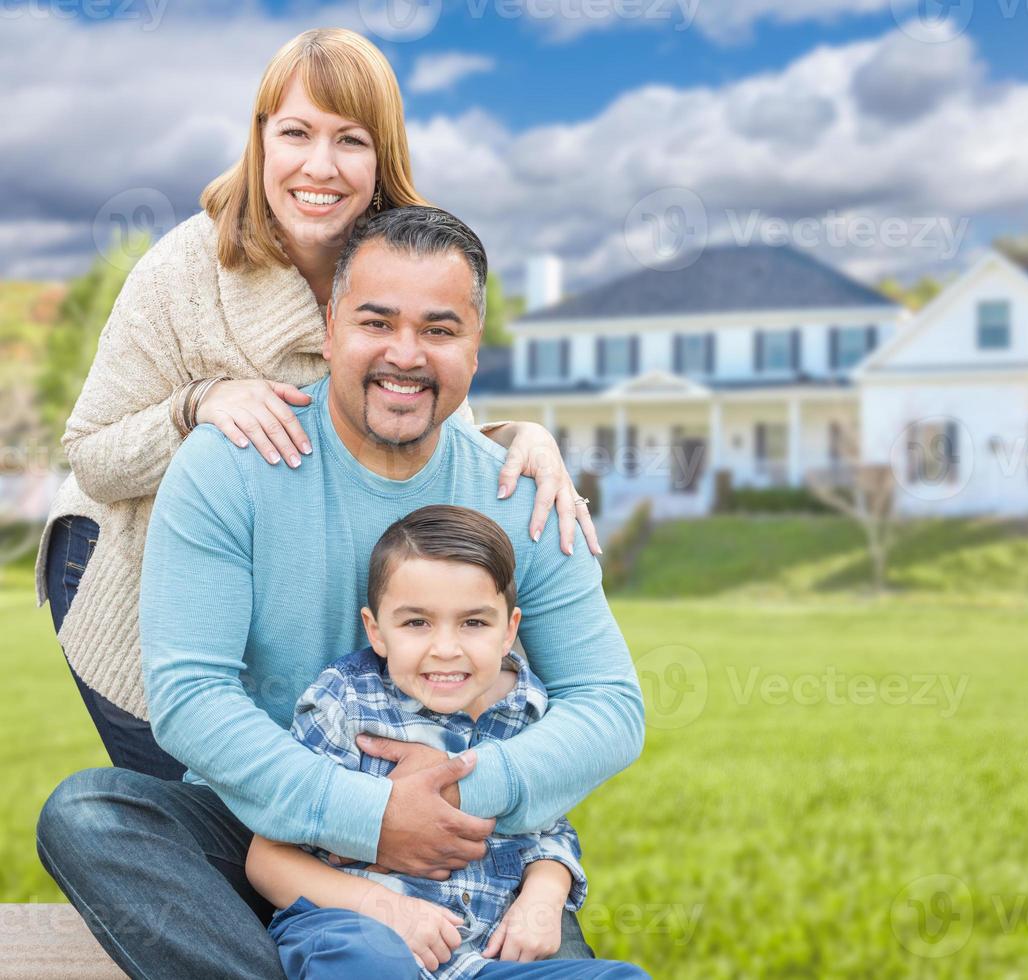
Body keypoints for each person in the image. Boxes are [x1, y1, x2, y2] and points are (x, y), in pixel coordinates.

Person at [36, 205, 644, 979]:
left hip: (460, 840)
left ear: (475, 347)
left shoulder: (521, 492)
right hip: (265, 824)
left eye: (439, 329)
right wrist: (367, 815)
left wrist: (458, 796)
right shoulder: (232, 464)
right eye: (376, 322)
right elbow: (190, 696)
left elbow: (611, 705)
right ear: (329, 329)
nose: (405, 354)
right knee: (90, 815)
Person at [35, 28, 598, 782]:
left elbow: (422, 413)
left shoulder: (405, 258)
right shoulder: (184, 271)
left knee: (308, 806)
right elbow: (93, 455)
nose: (319, 166)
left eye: (350, 140)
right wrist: (195, 404)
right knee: (211, 816)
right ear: (261, 141)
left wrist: (518, 434)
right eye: (295, 133)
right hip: (125, 565)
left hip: (280, 585)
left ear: (383, 155)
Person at [247, 504, 648, 979]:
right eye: (416, 623)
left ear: (509, 631)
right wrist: (384, 908)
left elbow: (547, 830)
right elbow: (267, 858)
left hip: (478, 957)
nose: (445, 648)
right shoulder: (347, 701)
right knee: (368, 963)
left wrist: (544, 892)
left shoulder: (528, 708)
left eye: (474, 623)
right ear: (376, 630)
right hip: (354, 928)